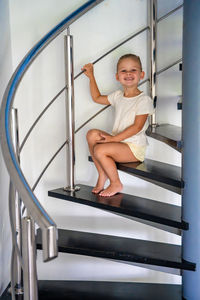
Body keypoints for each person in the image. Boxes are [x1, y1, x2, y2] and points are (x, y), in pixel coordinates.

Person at [82, 54, 154, 197]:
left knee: (100, 150)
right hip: (118, 142)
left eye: (133, 70)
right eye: (123, 71)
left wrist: (113, 140)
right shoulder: (117, 96)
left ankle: (115, 183)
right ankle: (102, 173)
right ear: (117, 77)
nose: (128, 73)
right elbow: (97, 98)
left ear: (142, 74)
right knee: (92, 134)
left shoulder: (144, 100)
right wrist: (91, 76)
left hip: (133, 148)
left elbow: (137, 127)